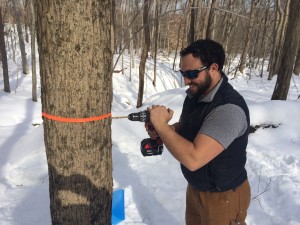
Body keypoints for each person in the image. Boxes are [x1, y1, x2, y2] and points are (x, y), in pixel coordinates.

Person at [146, 39, 251, 225]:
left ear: (213, 68)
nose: (186, 80)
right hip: (196, 188)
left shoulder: (228, 109)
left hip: (223, 197)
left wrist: (161, 126)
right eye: (183, 73)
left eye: (192, 73)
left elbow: (194, 159)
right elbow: (191, 127)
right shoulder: (196, 94)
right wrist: (167, 130)